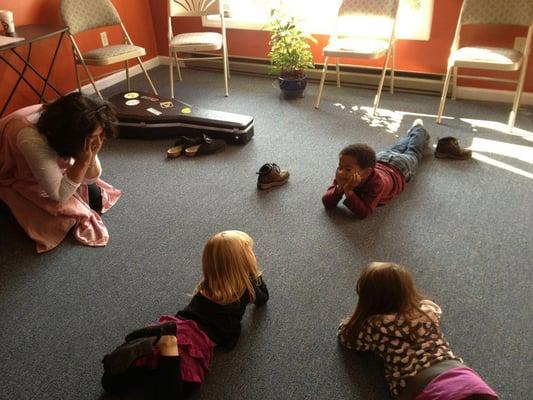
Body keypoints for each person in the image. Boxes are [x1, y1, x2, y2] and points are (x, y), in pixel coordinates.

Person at [101, 230, 269, 400]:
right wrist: (253, 273)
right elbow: (264, 298)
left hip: (176, 325)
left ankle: (151, 343)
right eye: (250, 252)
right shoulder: (247, 290)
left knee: (111, 385)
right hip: (195, 342)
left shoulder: (207, 285)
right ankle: (168, 344)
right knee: (175, 393)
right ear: (244, 261)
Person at [338, 262, 499, 400]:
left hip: (420, 385)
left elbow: (347, 338)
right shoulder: (427, 312)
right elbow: (433, 306)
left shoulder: (374, 326)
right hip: (463, 377)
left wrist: (355, 319)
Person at [0, 93, 121, 252]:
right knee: (58, 221)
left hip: (45, 157)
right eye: (93, 138)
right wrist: (84, 160)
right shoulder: (31, 138)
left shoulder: (79, 126)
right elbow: (59, 195)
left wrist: (90, 155)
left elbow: (92, 178)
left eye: (100, 136)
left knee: (95, 197)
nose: (98, 142)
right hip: (16, 169)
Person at [322, 119, 429, 219]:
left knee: (413, 151)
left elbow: (364, 212)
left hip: (400, 168)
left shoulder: (377, 183)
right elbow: (327, 203)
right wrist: (339, 188)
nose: (341, 172)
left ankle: (419, 129)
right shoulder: (344, 175)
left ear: (367, 172)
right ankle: (412, 134)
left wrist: (349, 191)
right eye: (340, 167)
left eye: (347, 169)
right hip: (381, 158)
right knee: (398, 147)